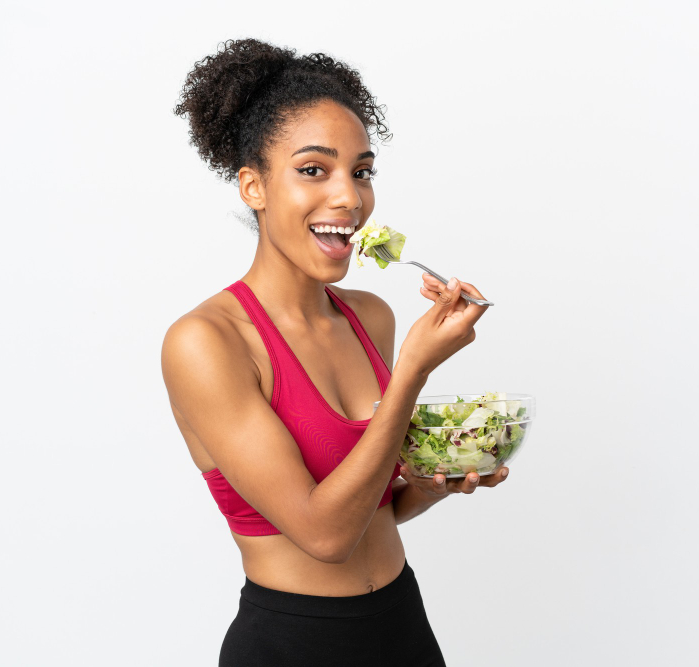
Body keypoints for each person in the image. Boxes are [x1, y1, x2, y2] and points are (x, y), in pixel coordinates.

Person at [161, 38, 507, 666]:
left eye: (362, 170)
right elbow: (325, 534)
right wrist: (413, 372)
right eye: (313, 170)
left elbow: (376, 509)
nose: (349, 197)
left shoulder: (370, 316)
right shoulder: (208, 342)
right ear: (253, 186)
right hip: (295, 643)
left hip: (403, 625)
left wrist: (435, 483)